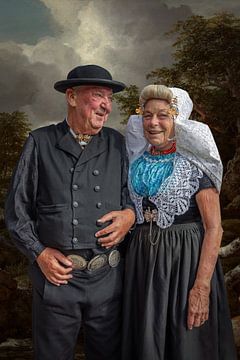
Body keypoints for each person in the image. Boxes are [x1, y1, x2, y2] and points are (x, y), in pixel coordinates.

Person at [4, 64, 135, 360]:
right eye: (98, 95)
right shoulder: (40, 142)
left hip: (109, 279)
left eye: (110, 98)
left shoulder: (117, 143)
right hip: (57, 280)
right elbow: (16, 212)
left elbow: (133, 197)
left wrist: (130, 215)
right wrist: (39, 253)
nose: (106, 105)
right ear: (72, 97)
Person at [122, 85, 237, 360]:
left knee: (186, 344)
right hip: (141, 264)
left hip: (184, 266)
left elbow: (214, 228)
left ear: (179, 118)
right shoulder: (135, 160)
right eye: (146, 115)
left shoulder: (196, 164)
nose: (152, 122)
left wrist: (201, 287)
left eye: (163, 115)